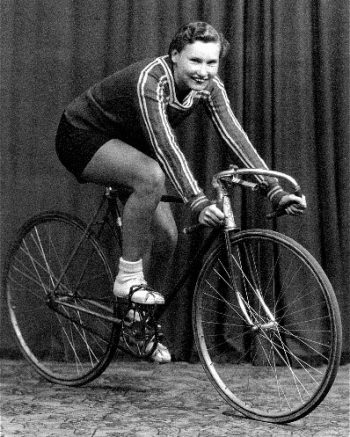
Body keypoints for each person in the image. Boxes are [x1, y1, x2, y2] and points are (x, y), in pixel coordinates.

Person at [55, 22, 306, 362]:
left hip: (130, 144)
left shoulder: (209, 88)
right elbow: (165, 147)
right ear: (175, 56)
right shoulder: (152, 80)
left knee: (167, 237)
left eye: (211, 63)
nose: (203, 72)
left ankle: (137, 320)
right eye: (195, 61)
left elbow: (234, 136)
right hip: (81, 135)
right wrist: (198, 200)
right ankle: (127, 279)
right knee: (151, 176)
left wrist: (273, 191)